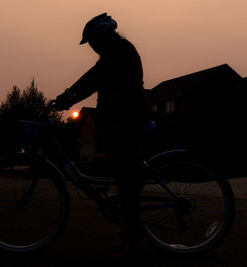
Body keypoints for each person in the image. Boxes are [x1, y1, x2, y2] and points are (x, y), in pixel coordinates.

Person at [54, 13, 152, 257]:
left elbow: (91, 80)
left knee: (128, 181)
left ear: (103, 37)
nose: (93, 47)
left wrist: (66, 98)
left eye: (93, 42)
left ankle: (136, 239)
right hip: (122, 120)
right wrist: (67, 97)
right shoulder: (115, 51)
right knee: (123, 177)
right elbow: (92, 79)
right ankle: (131, 233)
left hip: (127, 120)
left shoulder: (117, 52)